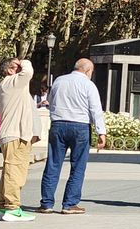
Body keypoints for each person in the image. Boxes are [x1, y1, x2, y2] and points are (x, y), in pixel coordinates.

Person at [38, 57, 108, 215]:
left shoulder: (58, 81)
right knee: (78, 167)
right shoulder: (89, 85)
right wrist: (101, 132)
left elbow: (50, 101)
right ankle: (69, 204)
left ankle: (46, 203)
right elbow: (95, 110)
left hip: (58, 125)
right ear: (88, 70)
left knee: (53, 164)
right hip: (80, 126)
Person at [0, 57, 40, 221]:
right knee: (15, 170)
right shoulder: (11, 82)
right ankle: (13, 208)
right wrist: (25, 61)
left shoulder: (9, 85)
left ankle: (1, 207)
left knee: (9, 170)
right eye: (17, 66)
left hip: (12, 134)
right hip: (15, 134)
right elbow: (28, 72)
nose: (21, 67)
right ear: (11, 69)